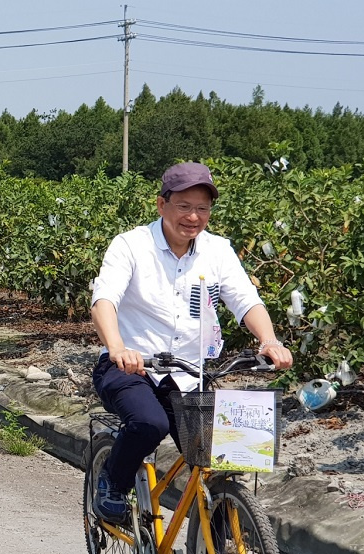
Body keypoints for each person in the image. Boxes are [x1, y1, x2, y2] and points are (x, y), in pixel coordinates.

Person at [89, 162, 294, 524]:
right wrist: (118, 346)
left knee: (220, 459)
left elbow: (246, 300)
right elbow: (105, 299)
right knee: (151, 423)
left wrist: (269, 340)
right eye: (184, 206)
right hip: (131, 368)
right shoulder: (131, 246)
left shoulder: (218, 251)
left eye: (202, 208)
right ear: (161, 205)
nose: (193, 217)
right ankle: (112, 482)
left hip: (189, 374)